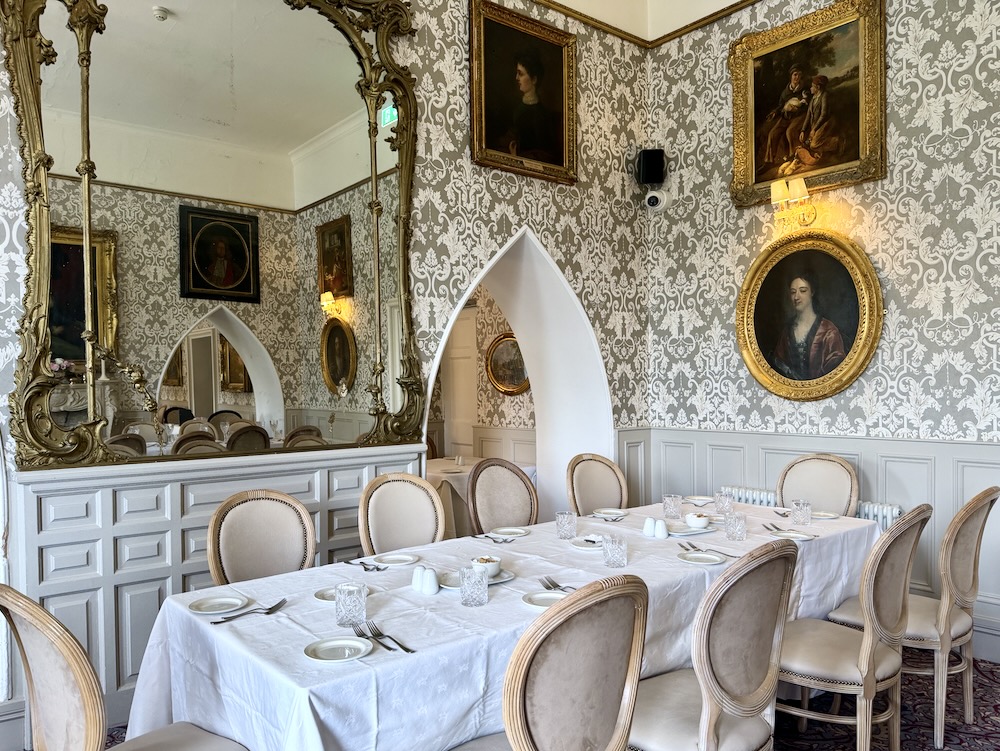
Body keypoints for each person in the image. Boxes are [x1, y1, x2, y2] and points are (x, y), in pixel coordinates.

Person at [770, 270, 846, 380]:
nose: (796, 297)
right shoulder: (787, 331)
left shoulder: (828, 330)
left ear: (812, 292)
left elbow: (837, 367)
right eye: (793, 292)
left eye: (803, 291)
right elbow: (778, 364)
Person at [501, 48, 559, 164]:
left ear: (534, 79)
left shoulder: (545, 116)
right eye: (517, 73)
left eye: (521, 74)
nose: (516, 78)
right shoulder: (512, 110)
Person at [760, 64, 811, 167]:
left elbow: (807, 104)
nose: (797, 77)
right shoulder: (785, 92)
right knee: (772, 134)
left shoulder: (804, 89)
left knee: (790, 131)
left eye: (799, 75)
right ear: (791, 76)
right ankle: (769, 161)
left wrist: (798, 107)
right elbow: (780, 106)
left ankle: (795, 157)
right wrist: (775, 112)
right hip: (786, 117)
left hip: (799, 116)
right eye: (795, 75)